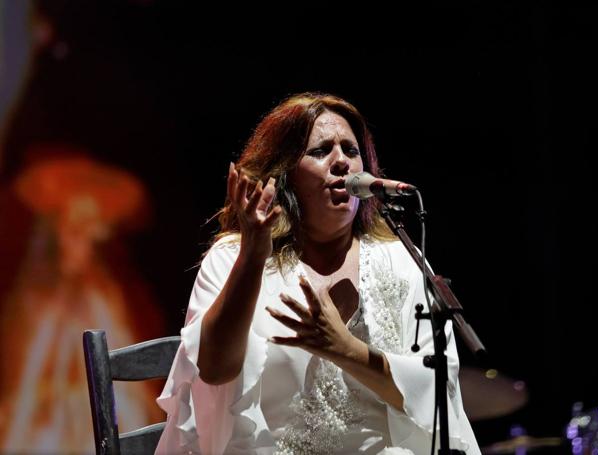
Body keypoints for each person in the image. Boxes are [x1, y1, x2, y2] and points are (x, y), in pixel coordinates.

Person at [155, 92, 480, 454]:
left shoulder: (400, 258)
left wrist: (345, 349)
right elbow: (213, 371)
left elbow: (436, 391)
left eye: (351, 151)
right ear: (284, 173)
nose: (341, 161)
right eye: (321, 151)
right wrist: (252, 257)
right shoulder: (233, 256)